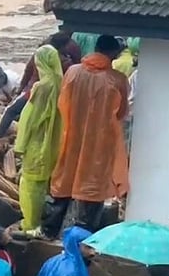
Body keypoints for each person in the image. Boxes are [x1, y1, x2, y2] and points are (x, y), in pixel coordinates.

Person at [42, 35, 130, 238]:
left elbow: (62, 102)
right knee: (93, 188)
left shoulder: (73, 72)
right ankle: (85, 235)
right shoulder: (117, 80)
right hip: (98, 142)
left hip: (71, 135)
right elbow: (121, 112)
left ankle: (49, 230)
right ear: (113, 53)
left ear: (95, 48)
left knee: (63, 182)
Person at [14, 45, 64, 234]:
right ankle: (42, 221)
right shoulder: (62, 83)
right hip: (54, 144)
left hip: (37, 144)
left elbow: (29, 118)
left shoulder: (41, 87)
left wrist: (20, 145)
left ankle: (30, 225)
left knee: (30, 187)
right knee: (44, 186)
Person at [0, 32, 81, 138]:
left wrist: (20, 89)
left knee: (10, 111)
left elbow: (28, 71)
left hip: (33, 91)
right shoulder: (66, 61)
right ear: (64, 46)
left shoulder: (40, 54)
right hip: (55, 95)